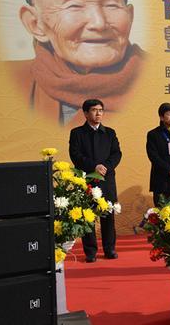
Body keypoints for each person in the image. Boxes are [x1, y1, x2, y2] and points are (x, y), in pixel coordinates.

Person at [11, 0, 144, 126]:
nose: (99, 23)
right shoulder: (8, 81)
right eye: (74, 6)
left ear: (129, 16)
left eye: (111, 4)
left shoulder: (154, 76)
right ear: (35, 24)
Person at [69, 99, 121, 262]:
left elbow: (116, 154)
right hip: (87, 179)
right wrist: (94, 167)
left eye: (100, 110)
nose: (98, 113)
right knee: (88, 216)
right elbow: (75, 155)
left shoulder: (110, 132)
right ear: (85, 113)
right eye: (94, 110)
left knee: (107, 215)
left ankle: (109, 249)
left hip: (107, 179)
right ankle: (90, 252)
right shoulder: (77, 133)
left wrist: (105, 167)